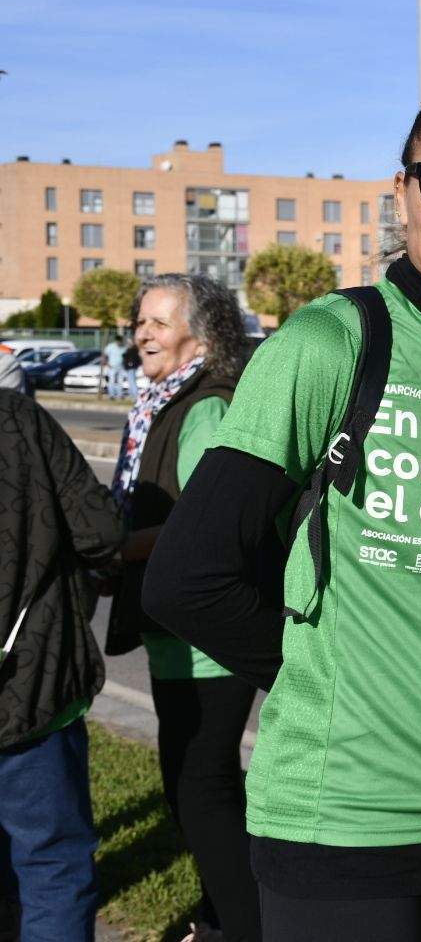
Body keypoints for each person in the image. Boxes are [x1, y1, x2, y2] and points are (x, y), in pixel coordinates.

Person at [145, 78, 421, 942]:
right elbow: (187, 580)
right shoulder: (331, 343)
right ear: (403, 194)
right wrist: (333, 684)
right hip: (345, 819)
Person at [104, 273, 254, 942]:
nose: (142, 333)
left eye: (159, 323)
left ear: (204, 337)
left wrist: (110, 550)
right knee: (192, 791)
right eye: (141, 321)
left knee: (202, 793)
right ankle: (222, 916)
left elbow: (199, 527)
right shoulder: (159, 404)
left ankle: (244, 926)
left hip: (209, 644)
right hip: (176, 639)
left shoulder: (206, 409)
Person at [0, 390, 124, 940]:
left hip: (33, 695)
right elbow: (102, 532)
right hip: (33, 691)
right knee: (52, 866)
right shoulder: (17, 418)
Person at [102, 333, 125, 398]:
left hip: (120, 367)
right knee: (111, 381)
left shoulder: (123, 347)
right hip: (112, 366)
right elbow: (104, 355)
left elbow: (124, 356)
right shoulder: (110, 346)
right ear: (116, 341)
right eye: (118, 341)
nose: (119, 343)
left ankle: (119, 394)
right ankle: (111, 395)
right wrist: (107, 363)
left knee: (120, 381)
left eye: (120, 342)